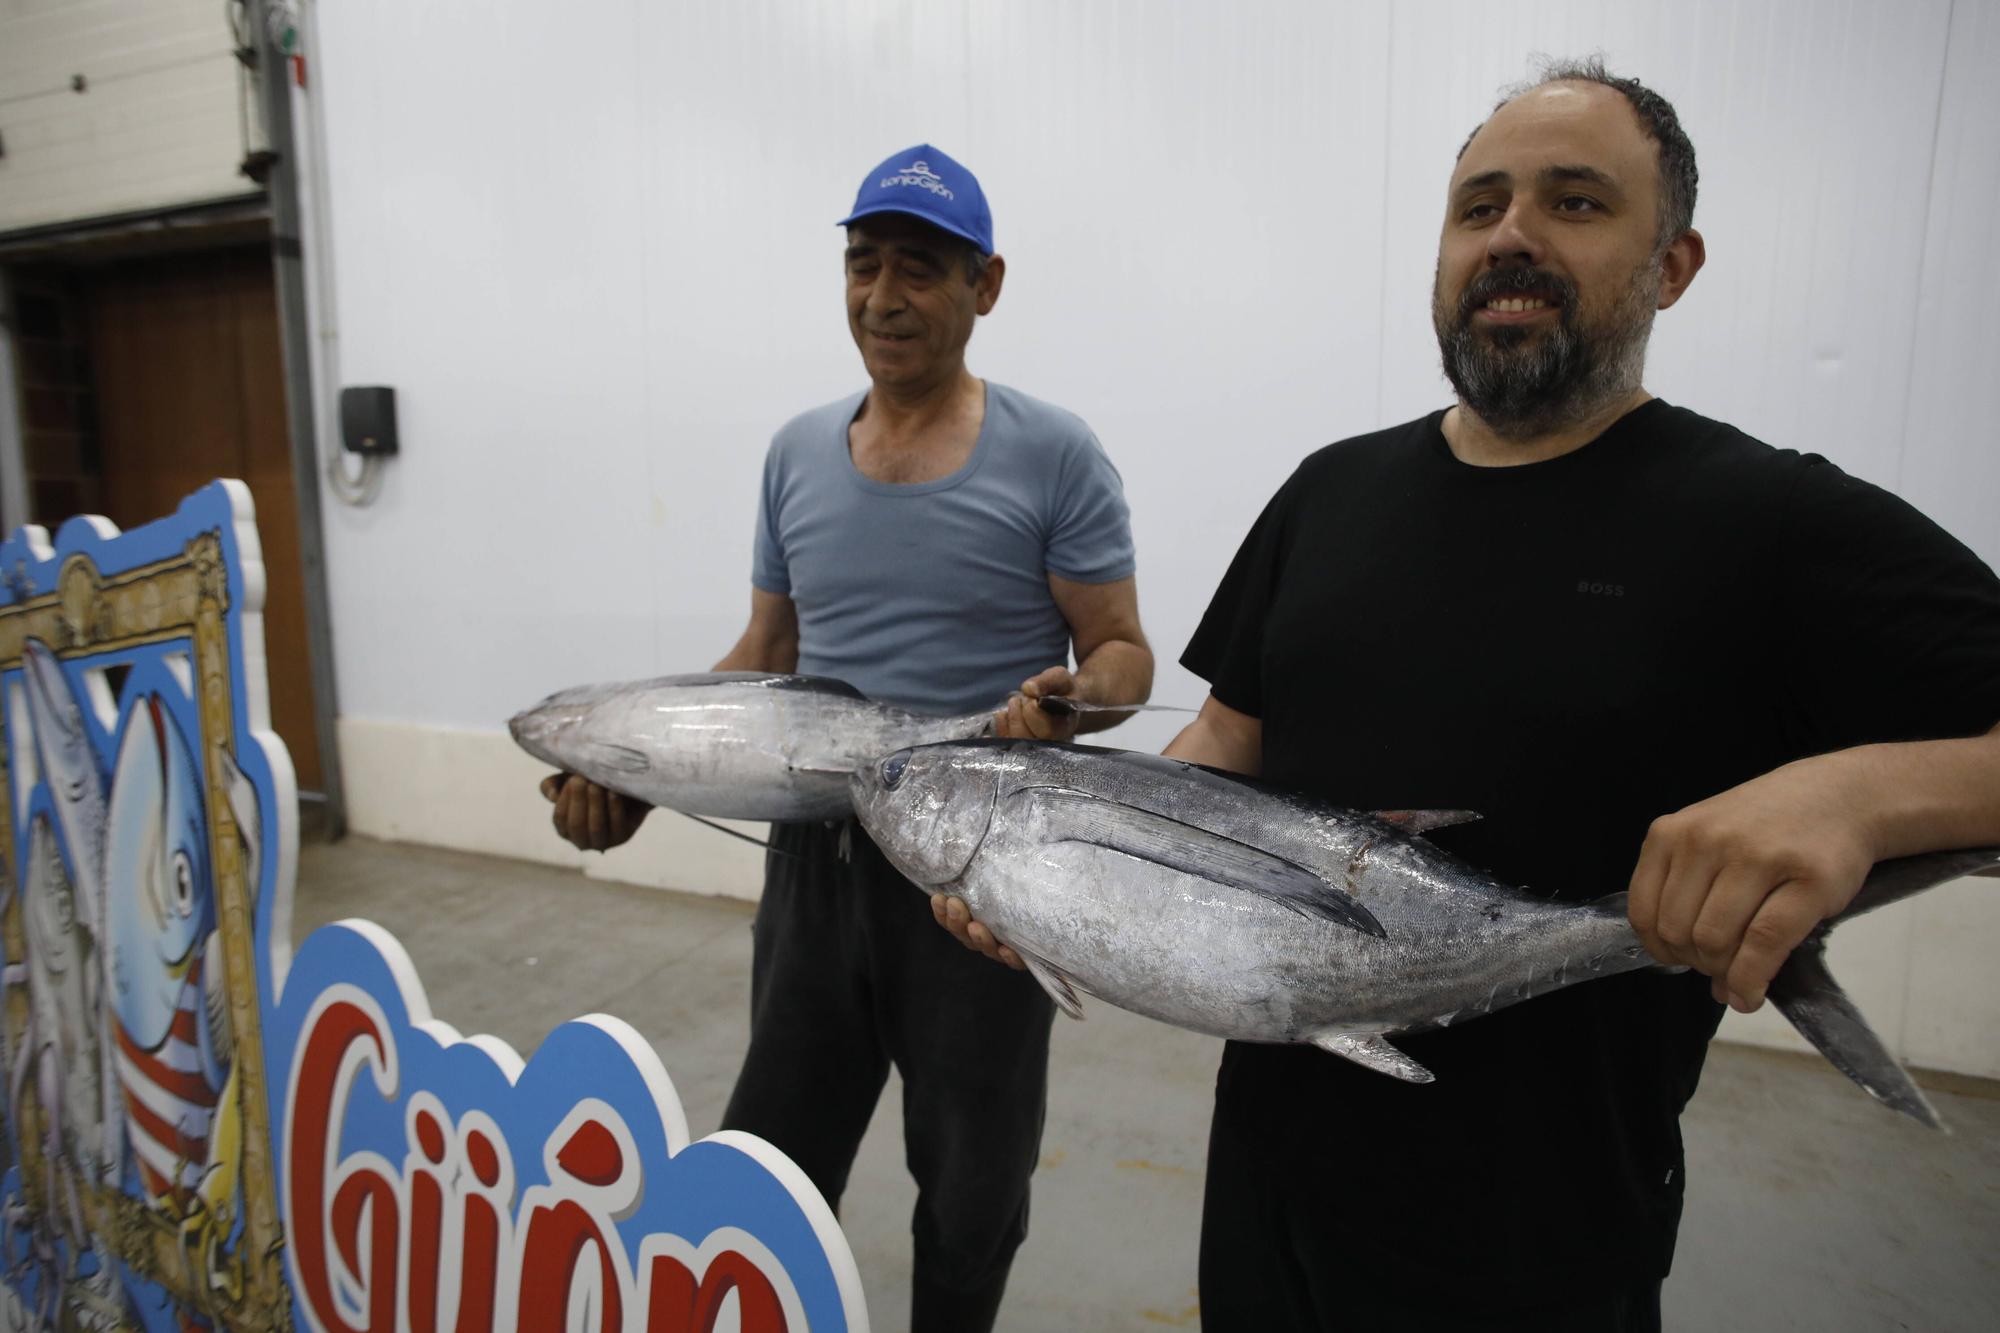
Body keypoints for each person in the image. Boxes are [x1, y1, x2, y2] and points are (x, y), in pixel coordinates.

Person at [938, 60, 2000, 1329]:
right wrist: (1063, 855)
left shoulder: (1766, 520)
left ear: (1672, 263)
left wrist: (1861, 797)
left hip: (1540, 1238)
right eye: (1477, 204)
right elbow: (1228, 740)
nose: (1509, 235)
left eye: (1573, 202)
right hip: (1269, 1183)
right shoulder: (1328, 493)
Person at [542, 143, 1154, 1331]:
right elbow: (763, 658)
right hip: (815, 867)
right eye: (863, 264)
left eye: (918, 270)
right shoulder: (794, 454)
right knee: (769, 1162)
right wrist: (627, 767)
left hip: (978, 883)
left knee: (973, 1184)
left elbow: (1122, 647)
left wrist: (1071, 699)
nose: (883, 297)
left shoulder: (1053, 450)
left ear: (986, 285)